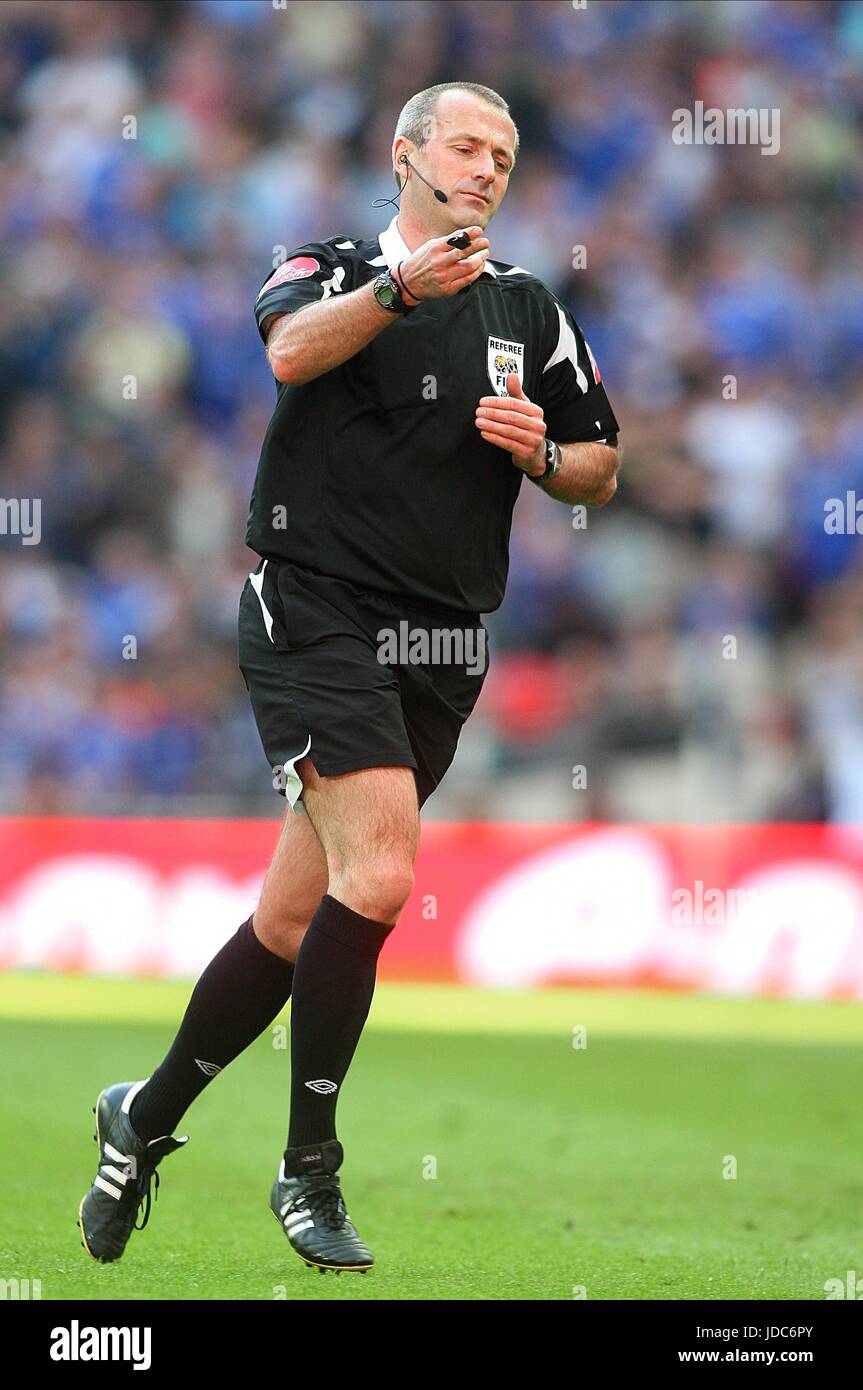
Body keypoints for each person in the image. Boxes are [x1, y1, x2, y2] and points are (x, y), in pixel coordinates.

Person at [78, 81, 620, 1274]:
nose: (486, 168)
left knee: (291, 916)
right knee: (380, 871)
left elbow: (601, 461)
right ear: (406, 153)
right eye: (466, 145)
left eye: (504, 154)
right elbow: (287, 354)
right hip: (312, 607)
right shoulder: (324, 264)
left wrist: (546, 456)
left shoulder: (528, 309)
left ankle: (144, 1115)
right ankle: (306, 1169)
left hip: (440, 642)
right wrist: (392, 292)